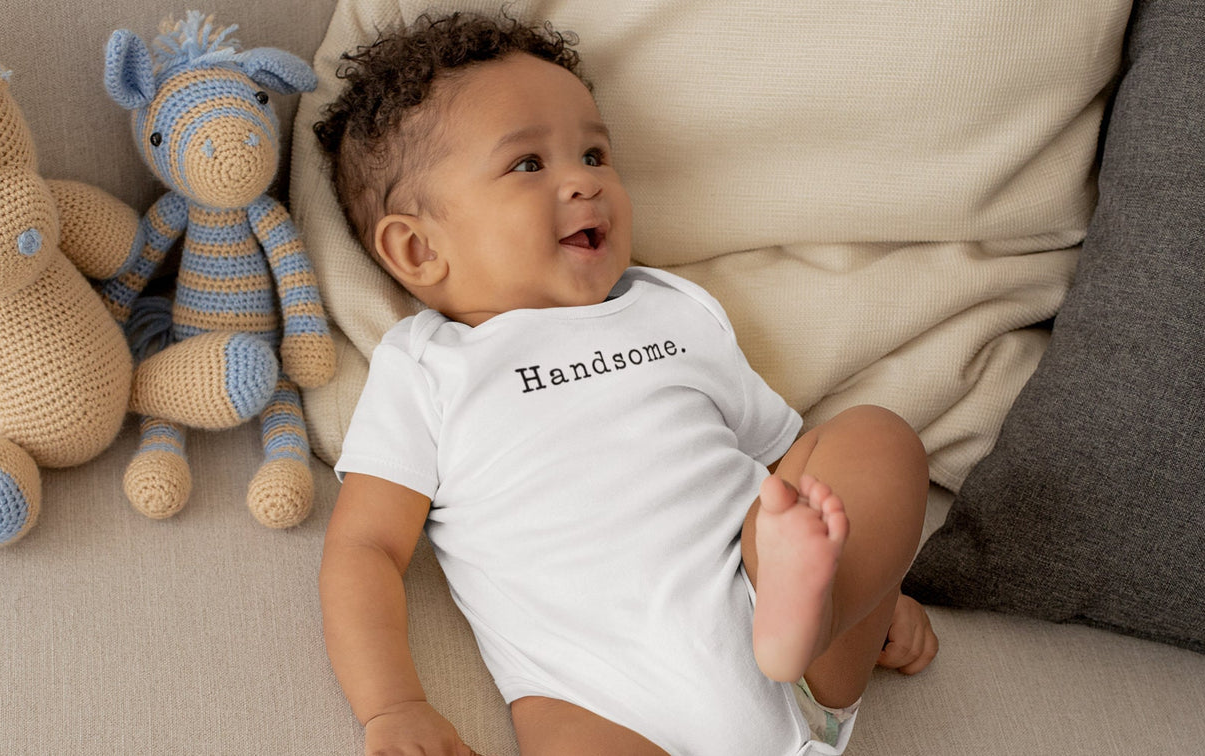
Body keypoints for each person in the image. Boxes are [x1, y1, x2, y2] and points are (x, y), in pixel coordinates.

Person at [314, 12, 938, 756]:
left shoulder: (672, 310)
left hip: (788, 643)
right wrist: (393, 706)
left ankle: (812, 614)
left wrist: (868, 585)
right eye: (527, 164)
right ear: (418, 249)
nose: (585, 180)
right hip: (603, 704)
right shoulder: (427, 367)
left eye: (594, 153)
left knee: (874, 437)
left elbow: (791, 471)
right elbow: (365, 549)